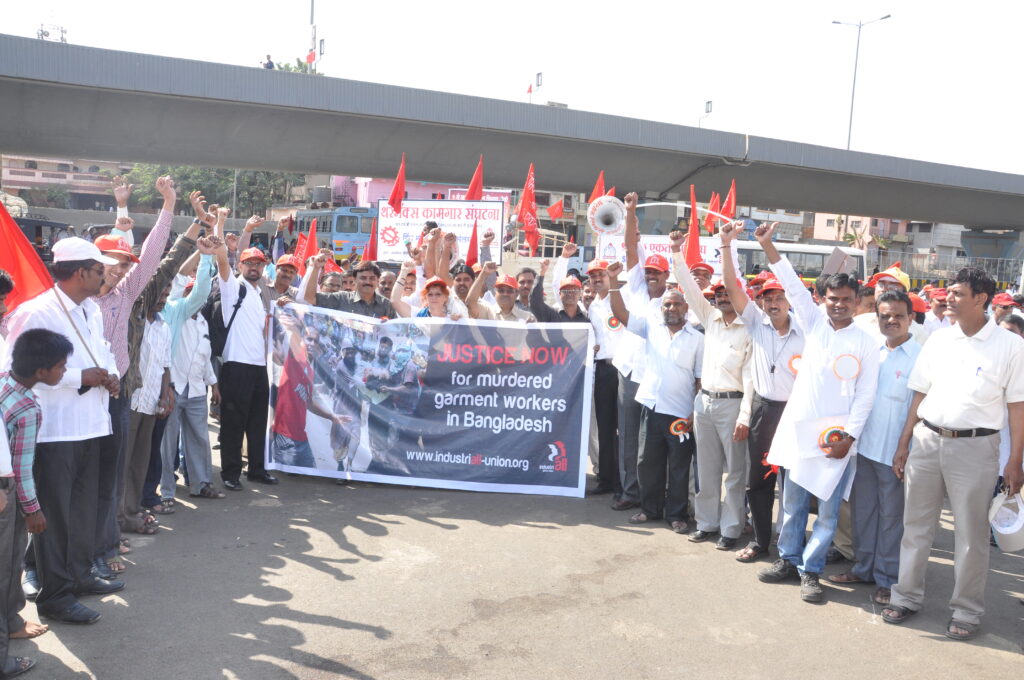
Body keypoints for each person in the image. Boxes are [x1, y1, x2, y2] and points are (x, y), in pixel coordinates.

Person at [883, 267, 1024, 641]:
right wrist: (904, 442)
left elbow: (1017, 407)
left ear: (981, 299)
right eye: (949, 292)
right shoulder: (939, 339)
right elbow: (919, 392)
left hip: (977, 449)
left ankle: (966, 611)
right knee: (915, 526)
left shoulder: (1011, 347)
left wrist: (1015, 462)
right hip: (927, 442)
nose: (949, 299)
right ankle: (906, 596)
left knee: (971, 535)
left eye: (958, 293)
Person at [752, 222, 878, 604]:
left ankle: (811, 571)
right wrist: (768, 246)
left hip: (834, 442)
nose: (838, 304)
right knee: (790, 505)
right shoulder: (814, 323)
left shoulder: (866, 344)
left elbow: (865, 398)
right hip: (798, 432)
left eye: (845, 299)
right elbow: (790, 282)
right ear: (822, 300)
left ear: (857, 302)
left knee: (825, 512)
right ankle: (788, 560)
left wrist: (848, 438)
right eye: (832, 298)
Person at [2, 238, 125, 624]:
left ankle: (80, 574)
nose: (106, 273)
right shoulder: (35, 311)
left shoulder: (92, 309)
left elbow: (103, 353)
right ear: (80, 272)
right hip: (54, 432)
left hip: (91, 426)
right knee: (54, 517)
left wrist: (112, 376)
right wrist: (78, 377)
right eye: (99, 267)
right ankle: (55, 594)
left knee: (83, 511)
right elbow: (13, 373)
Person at [91, 176, 175, 580]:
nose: (122, 269)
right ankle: (75, 553)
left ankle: (105, 546)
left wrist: (169, 205)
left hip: (117, 397)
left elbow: (155, 252)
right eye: (114, 262)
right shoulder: (74, 302)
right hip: (79, 397)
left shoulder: (125, 295)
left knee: (111, 474)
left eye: (125, 264)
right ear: (92, 264)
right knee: (81, 479)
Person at [717, 220, 805, 563]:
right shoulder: (755, 322)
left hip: (796, 414)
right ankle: (761, 542)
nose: (774, 303)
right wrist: (727, 246)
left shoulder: (808, 330)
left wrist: (769, 246)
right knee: (759, 480)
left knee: (793, 484)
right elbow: (731, 285)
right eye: (768, 297)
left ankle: (789, 545)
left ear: (790, 300)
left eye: (780, 296)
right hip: (764, 412)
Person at [828, 291, 921, 606]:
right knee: (863, 513)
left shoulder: (920, 358)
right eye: (885, 316)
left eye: (898, 315)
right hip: (863, 449)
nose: (891, 321)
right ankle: (864, 567)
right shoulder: (871, 351)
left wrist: (904, 447)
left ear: (910, 318)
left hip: (896, 453)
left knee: (892, 518)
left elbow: (917, 409)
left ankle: (887, 578)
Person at [672, 231, 753, 551]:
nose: (721, 298)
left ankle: (731, 528)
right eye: (717, 294)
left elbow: (749, 379)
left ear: (736, 296)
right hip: (703, 403)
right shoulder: (711, 319)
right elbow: (690, 290)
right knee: (704, 470)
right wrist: (676, 253)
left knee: (735, 473)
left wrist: (745, 416)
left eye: (725, 293)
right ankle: (707, 523)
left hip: (733, 407)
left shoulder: (749, 329)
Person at [607, 266, 702, 533]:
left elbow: (700, 379)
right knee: (647, 462)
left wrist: (694, 412)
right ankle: (650, 509)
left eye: (676, 304)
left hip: (680, 413)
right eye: (667, 304)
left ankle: (676, 514)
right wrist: (614, 283)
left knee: (679, 466)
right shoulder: (651, 328)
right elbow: (621, 314)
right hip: (651, 406)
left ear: (685, 308)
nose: (670, 308)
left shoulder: (697, 339)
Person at [0, 329, 72, 676]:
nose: (64, 371)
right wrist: (33, 510)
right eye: (60, 366)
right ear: (41, 372)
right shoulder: (27, 408)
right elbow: (20, 468)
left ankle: (12, 619)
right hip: (7, 493)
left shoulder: (3, 382)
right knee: (7, 566)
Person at [610, 193, 673, 511]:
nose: (650, 275)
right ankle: (630, 492)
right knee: (628, 437)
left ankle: (652, 494)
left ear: (666, 277)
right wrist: (631, 211)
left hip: (655, 378)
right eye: (648, 271)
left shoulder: (673, 304)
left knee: (652, 442)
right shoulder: (634, 287)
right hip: (628, 373)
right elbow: (631, 247)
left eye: (657, 273)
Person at [216, 244, 277, 491]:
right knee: (233, 423)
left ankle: (256, 470)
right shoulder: (234, 288)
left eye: (258, 264)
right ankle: (230, 473)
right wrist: (218, 230)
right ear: (240, 266)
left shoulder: (259, 294)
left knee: (257, 422)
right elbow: (222, 264)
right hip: (236, 364)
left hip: (258, 366)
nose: (254, 268)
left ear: (264, 267)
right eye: (249, 263)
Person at [270, 312, 352, 469]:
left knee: (309, 473)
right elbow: (294, 337)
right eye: (309, 339)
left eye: (315, 341)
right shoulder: (295, 357)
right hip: (285, 437)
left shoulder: (309, 369)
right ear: (302, 340)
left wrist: (331, 416)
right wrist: (295, 327)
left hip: (301, 437)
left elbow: (308, 402)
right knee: (292, 482)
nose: (312, 343)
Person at [301, 256, 396, 320]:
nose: (367, 282)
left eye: (372, 278)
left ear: (378, 280)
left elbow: (397, 331)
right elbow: (309, 297)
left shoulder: (386, 305)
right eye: (363, 278)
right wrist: (315, 268)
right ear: (355, 280)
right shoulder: (341, 299)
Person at [466, 263, 535, 323]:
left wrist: (532, 329)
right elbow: (470, 302)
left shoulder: (527, 317)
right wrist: (483, 274)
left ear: (516, 293)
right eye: (501, 290)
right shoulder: (486, 311)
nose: (505, 294)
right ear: (495, 292)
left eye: (509, 291)